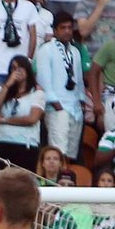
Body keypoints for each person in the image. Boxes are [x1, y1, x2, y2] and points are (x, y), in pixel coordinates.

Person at [33, 10, 84, 161]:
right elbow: (43, 79)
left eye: (69, 28)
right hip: (57, 107)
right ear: (55, 30)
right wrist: (56, 104)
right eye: (63, 28)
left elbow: (79, 79)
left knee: (71, 154)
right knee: (58, 151)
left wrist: (81, 101)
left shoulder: (75, 52)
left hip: (75, 108)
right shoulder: (46, 49)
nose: (67, 31)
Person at [0, 54, 46, 172]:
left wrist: (5, 120)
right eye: (13, 68)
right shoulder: (2, 89)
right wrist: (7, 86)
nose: (17, 71)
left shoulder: (37, 93)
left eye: (20, 68)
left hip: (25, 144)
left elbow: (32, 119)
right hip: (1, 142)